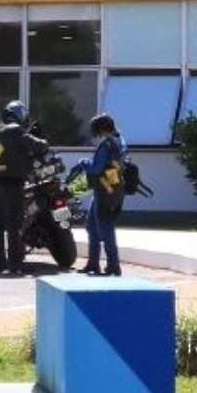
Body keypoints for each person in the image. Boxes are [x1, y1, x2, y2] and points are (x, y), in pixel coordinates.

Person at [0, 100, 46, 276]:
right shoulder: (16, 130)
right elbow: (36, 145)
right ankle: (14, 264)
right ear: (19, 114)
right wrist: (44, 142)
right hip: (14, 182)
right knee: (14, 225)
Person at [75, 112, 126, 277]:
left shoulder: (107, 145)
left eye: (97, 131)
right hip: (112, 190)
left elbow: (97, 168)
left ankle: (113, 266)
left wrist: (83, 163)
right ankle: (93, 264)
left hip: (105, 192)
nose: (97, 135)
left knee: (105, 230)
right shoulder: (120, 141)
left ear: (103, 129)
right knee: (91, 227)